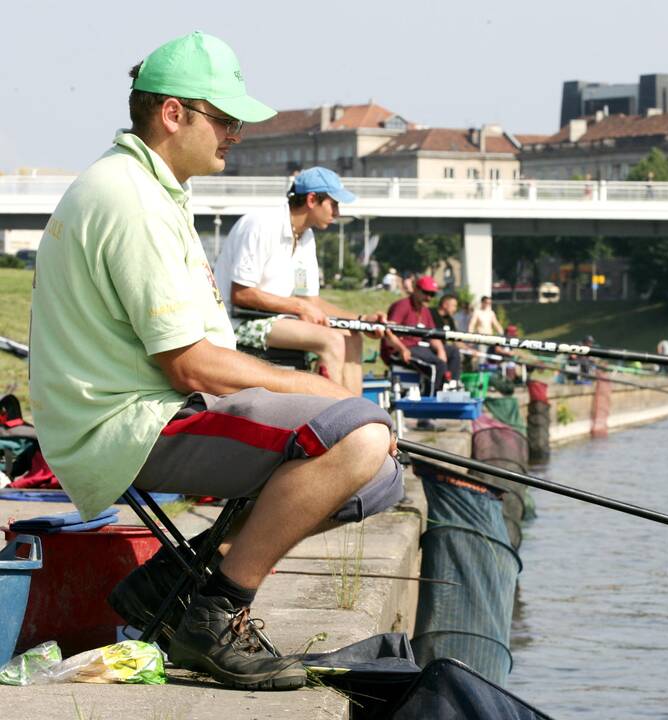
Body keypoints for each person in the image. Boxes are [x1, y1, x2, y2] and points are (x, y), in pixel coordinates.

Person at [28, 32, 402, 691]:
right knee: (360, 432)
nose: (235, 134)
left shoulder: (154, 189)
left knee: (381, 481)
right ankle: (214, 614)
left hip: (163, 409)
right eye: (224, 119)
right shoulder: (130, 199)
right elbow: (191, 366)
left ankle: (175, 582)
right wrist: (308, 387)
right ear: (173, 114)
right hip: (127, 425)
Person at [214, 166, 385, 394]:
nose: (337, 212)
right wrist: (298, 305)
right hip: (235, 323)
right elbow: (241, 295)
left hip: (274, 319)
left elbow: (309, 300)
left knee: (352, 337)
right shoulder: (262, 224)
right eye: (333, 204)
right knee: (332, 340)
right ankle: (332, 424)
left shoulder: (306, 236)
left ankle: (358, 420)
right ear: (312, 199)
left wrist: (362, 320)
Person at [381, 276, 460, 390]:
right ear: (416, 289)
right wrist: (402, 349)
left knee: (452, 352)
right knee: (438, 364)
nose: (428, 297)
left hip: (418, 348)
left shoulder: (425, 311)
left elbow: (432, 335)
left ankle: (452, 386)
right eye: (426, 293)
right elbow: (388, 331)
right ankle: (435, 398)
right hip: (399, 349)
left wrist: (441, 350)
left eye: (432, 294)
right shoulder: (402, 305)